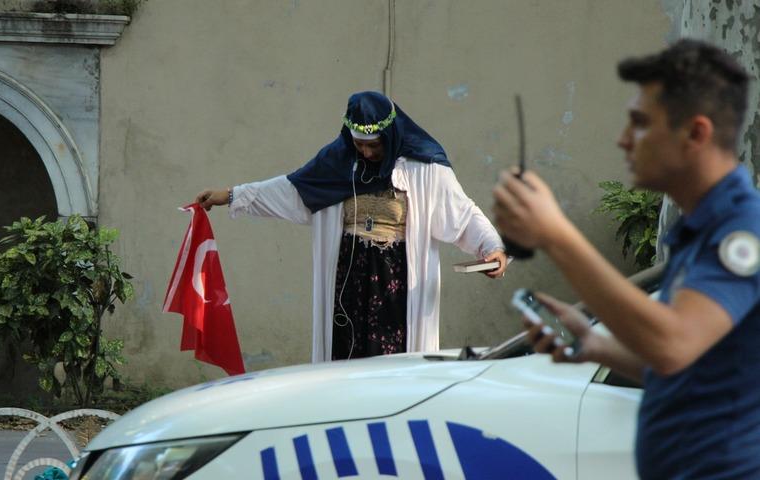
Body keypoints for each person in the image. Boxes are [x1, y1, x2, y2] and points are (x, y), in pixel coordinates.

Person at [493, 39, 758, 478]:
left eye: (639, 123)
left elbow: (674, 345)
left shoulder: (742, 234)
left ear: (695, 133)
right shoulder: (703, 229)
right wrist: (595, 345)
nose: (622, 139)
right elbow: (693, 371)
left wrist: (556, 235)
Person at [197, 91, 507, 362]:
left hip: (396, 283)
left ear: (390, 135)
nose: (367, 153)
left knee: (394, 360)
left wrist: (491, 248)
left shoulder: (423, 166)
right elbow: (290, 191)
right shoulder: (338, 164)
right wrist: (232, 195)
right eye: (359, 145)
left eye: (374, 146)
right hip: (348, 280)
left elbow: (463, 214)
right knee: (346, 356)